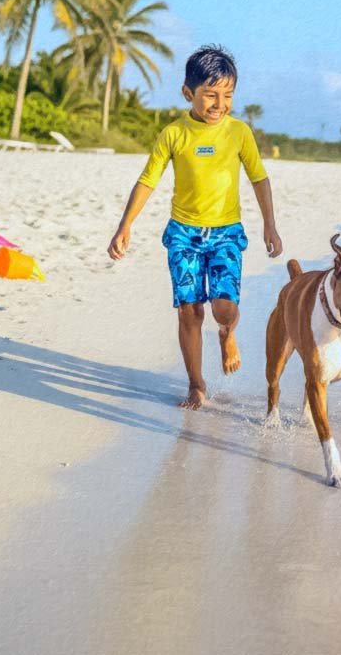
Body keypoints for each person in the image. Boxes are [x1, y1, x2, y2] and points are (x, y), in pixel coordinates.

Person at [108, 45, 283, 409]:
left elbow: (259, 179)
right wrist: (125, 225)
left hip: (226, 234)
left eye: (227, 95)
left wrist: (270, 224)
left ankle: (227, 332)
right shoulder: (174, 134)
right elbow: (148, 180)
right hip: (184, 234)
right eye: (211, 94)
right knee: (189, 310)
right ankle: (196, 384)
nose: (220, 104)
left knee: (223, 308)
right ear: (188, 92)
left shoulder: (239, 132)